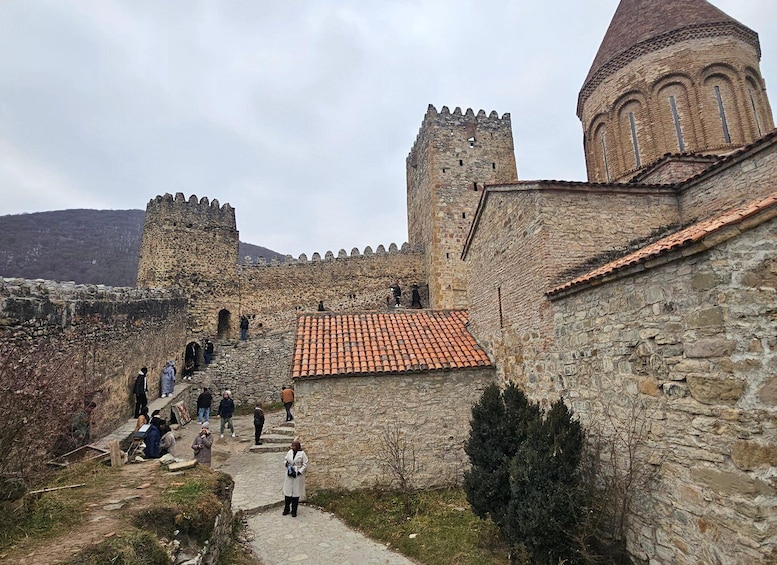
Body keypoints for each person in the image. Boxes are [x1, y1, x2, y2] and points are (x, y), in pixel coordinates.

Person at [283, 440, 308, 517]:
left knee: (295, 494)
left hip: (297, 475)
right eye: (292, 446)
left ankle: (294, 510)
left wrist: (299, 472)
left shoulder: (302, 454)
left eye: (294, 446)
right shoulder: (290, 452)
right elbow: (285, 460)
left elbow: (305, 464)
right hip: (289, 473)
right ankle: (286, 509)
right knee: (287, 493)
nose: (292, 447)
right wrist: (287, 464)